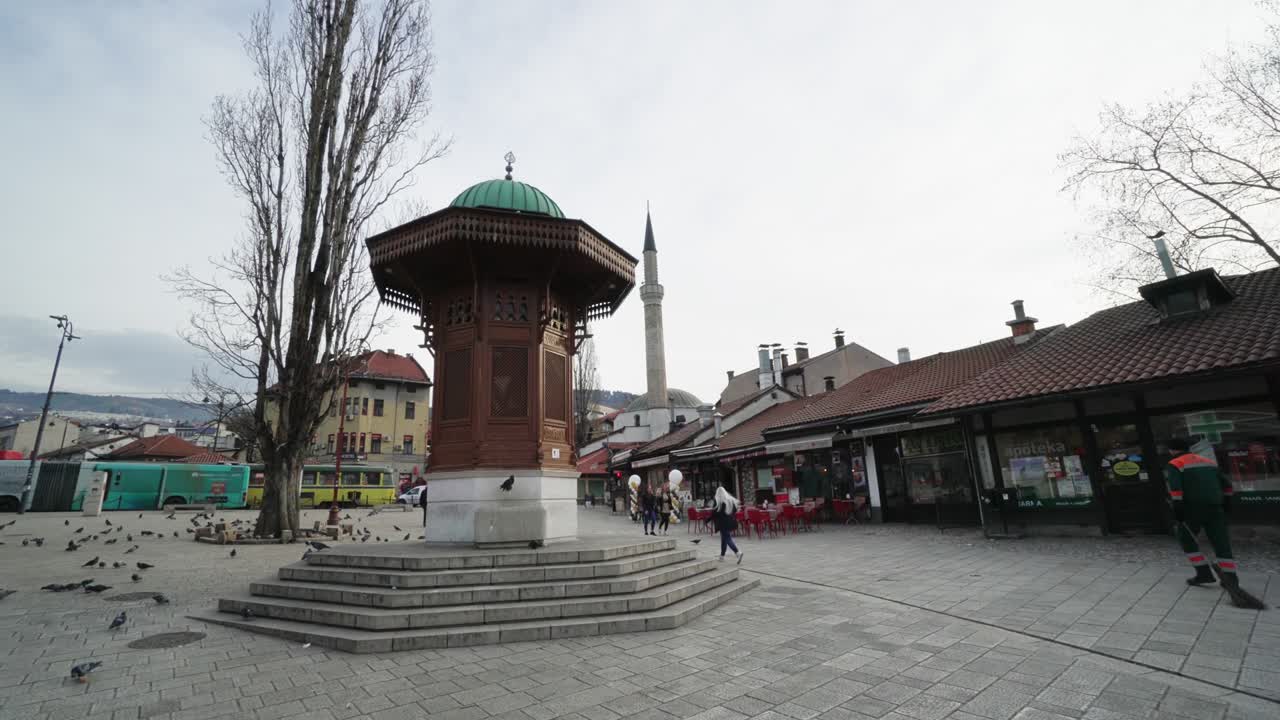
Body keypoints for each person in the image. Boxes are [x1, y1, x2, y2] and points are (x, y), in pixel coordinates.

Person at [1166, 437, 1238, 588]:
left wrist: (1177, 507)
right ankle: (1230, 578)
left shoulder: (1175, 463)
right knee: (1221, 542)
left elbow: (1175, 489)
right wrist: (1227, 502)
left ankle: (1203, 573)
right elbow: (1227, 485)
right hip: (1215, 507)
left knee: (1187, 539)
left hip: (1192, 509)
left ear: (1172, 450)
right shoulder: (1208, 462)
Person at [712, 486, 743, 564]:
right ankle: (722, 556)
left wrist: (708, 519)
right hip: (730, 522)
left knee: (727, 538)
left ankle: (737, 553)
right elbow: (735, 510)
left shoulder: (717, 501)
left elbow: (714, 513)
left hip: (722, 523)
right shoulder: (730, 500)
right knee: (724, 539)